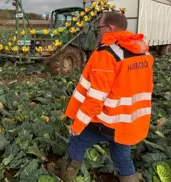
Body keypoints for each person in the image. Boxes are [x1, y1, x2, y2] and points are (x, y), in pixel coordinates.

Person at [52, 11, 154, 182]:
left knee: (77, 141)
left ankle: (65, 177)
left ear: (110, 27)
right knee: (122, 157)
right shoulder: (144, 54)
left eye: (100, 27)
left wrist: (77, 125)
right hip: (130, 121)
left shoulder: (107, 54)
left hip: (108, 121)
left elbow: (96, 97)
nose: (98, 31)